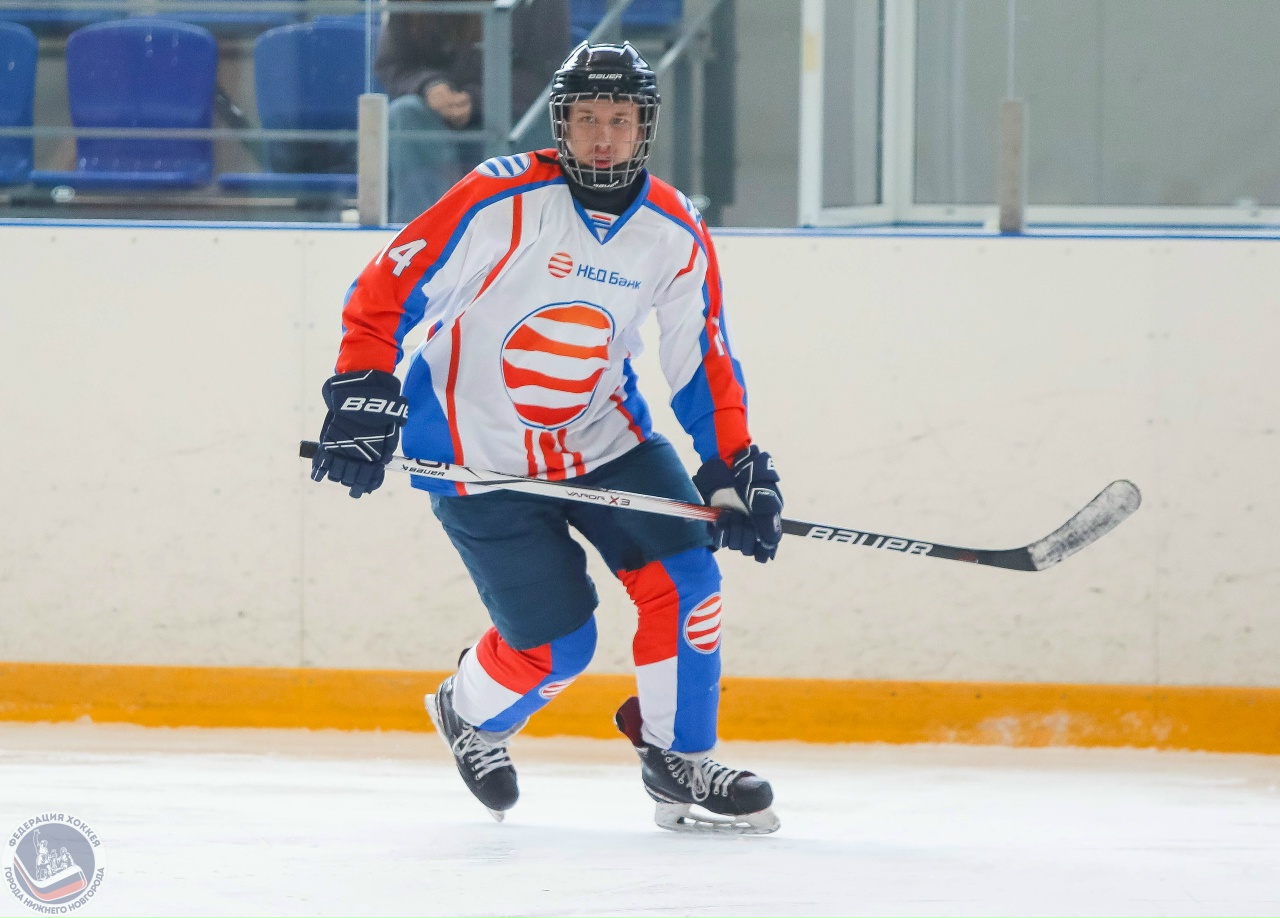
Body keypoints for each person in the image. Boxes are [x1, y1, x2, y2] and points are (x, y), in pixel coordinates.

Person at [311, 42, 785, 835]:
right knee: (559, 648)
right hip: (476, 456)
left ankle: (679, 758)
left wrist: (731, 462)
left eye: (621, 119)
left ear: (645, 127)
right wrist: (363, 388)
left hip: (606, 439)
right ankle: (469, 712)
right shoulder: (500, 195)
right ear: (561, 123)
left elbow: (702, 355)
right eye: (587, 117)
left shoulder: (674, 229)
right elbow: (389, 285)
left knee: (688, 582)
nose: (603, 136)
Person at [375, 0, 570, 223]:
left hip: (512, 118)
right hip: (435, 114)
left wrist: (476, 99)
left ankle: (521, 227)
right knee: (405, 114)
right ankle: (423, 233)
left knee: (544, 120)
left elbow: (547, 72)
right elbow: (395, 64)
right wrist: (429, 86)